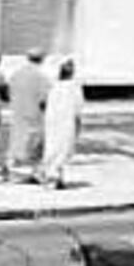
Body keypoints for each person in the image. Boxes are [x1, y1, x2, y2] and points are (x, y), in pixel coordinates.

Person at [2, 51, 50, 183]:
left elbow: (8, 93)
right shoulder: (41, 77)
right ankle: (36, 172)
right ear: (41, 60)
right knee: (36, 144)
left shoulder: (16, 74)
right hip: (34, 114)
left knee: (16, 140)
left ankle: (9, 166)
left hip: (18, 112)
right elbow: (45, 99)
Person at [41, 56, 86, 189]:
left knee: (52, 146)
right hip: (66, 120)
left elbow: (44, 102)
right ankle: (55, 177)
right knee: (64, 148)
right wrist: (78, 121)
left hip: (52, 119)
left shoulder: (53, 85)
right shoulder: (75, 87)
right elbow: (78, 107)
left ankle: (52, 175)